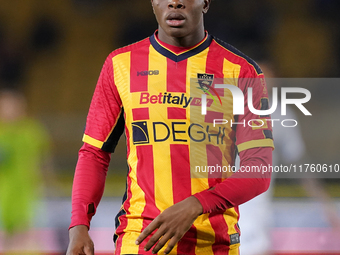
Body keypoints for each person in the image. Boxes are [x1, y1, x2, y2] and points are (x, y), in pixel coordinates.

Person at [66, 1, 274, 254]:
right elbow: (94, 152)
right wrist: (79, 225)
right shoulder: (120, 65)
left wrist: (197, 204)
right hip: (141, 238)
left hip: (212, 243)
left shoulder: (242, 71)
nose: (175, 2)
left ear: (205, 2)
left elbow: (259, 169)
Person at [0, 89, 51, 252]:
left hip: (26, 190)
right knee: (8, 236)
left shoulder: (31, 131)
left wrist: (49, 184)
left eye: (11, 106)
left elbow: (43, 160)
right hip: (3, 192)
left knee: (24, 233)